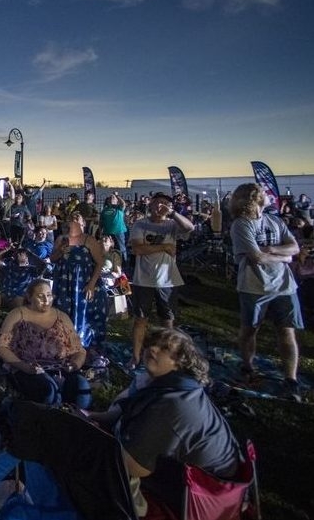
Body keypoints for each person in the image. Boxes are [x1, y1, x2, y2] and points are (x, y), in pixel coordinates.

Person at [92, 328, 240, 517]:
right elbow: (119, 415)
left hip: (203, 492)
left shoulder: (171, 403)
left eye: (164, 348)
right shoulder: (166, 385)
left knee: (96, 468)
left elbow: (134, 466)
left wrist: (94, 440)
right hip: (195, 475)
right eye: (151, 344)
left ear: (181, 361)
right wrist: (88, 417)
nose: (153, 349)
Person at [229, 183, 303, 397]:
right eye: (264, 193)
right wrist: (284, 257)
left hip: (284, 286)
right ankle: (248, 365)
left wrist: (271, 249)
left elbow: (295, 248)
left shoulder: (275, 221)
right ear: (254, 198)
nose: (269, 196)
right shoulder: (241, 225)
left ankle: (291, 378)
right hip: (254, 286)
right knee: (250, 329)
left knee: (287, 331)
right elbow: (256, 257)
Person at [0, 279, 90, 408]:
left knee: (82, 386)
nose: (46, 300)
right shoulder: (18, 314)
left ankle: (80, 420)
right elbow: (1, 347)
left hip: (60, 368)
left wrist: (74, 365)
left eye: (49, 295)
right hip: (27, 369)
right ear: (29, 297)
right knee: (48, 390)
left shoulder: (62, 317)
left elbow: (79, 350)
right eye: (40, 296)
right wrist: (25, 367)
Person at [127, 192, 194, 369]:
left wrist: (173, 213)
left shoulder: (172, 224)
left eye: (164, 204)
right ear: (150, 205)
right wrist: (164, 246)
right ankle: (136, 356)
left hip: (168, 280)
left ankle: (169, 355)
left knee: (167, 319)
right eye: (156, 203)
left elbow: (190, 228)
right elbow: (137, 249)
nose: (159, 207)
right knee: (140, 319)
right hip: (143, 279)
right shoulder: (140, 224)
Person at [50, 211, 108, 350]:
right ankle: (63, 343)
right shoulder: (61, 239)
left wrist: (91, 285)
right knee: (63, 312)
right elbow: (52, 259)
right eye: (71, 218)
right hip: (63, 282)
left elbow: (100, 263)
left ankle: (82, 344)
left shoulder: (89, 240)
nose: (74, 219)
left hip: (83, 283)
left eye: (78, 217)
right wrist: (60, 251)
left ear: (83, 223)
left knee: (83, 313)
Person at [0, 246, 41, 326]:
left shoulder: (31, 270)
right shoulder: (9, 265)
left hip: (19, 299)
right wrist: (7, 249)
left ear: (27, 257)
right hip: (4, 296)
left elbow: (45, 266)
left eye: (22, 253)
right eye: (18, 252)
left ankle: (14, 330)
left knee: (20, 305)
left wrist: (30, 253)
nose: (18, 254)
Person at [100, 193, 128, 264]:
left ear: (117, 201)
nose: (111, 198)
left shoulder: (119, 208)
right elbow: (101, 221)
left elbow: (123, 203)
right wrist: (101, 231)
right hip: (107, 233)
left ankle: (123, 265)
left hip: (119, 233)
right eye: (110, 198)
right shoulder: (104, 210)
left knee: (121, 249)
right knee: (108, 249)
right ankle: (111, 264)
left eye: (113, 198)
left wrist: (117, 196)